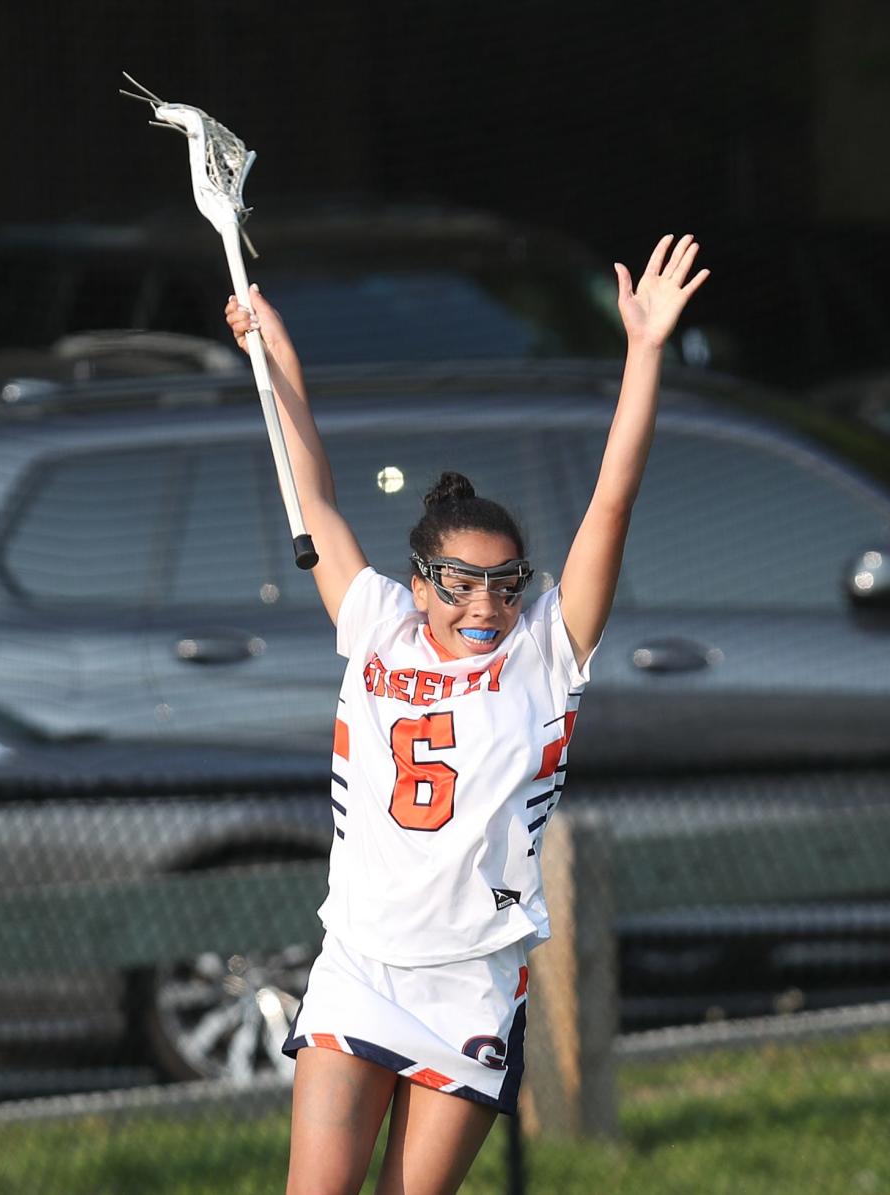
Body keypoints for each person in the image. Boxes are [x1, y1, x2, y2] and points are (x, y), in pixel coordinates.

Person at [225, 233, 708, 1195]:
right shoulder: (373, 624)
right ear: (420, 580)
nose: (483, 606)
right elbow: (307, 486)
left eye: (504, 584)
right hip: (359, 959)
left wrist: (644, 352)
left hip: (470, 979)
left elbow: (613, 498)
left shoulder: (543, 651)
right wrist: (273, 354)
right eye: (460, 584)